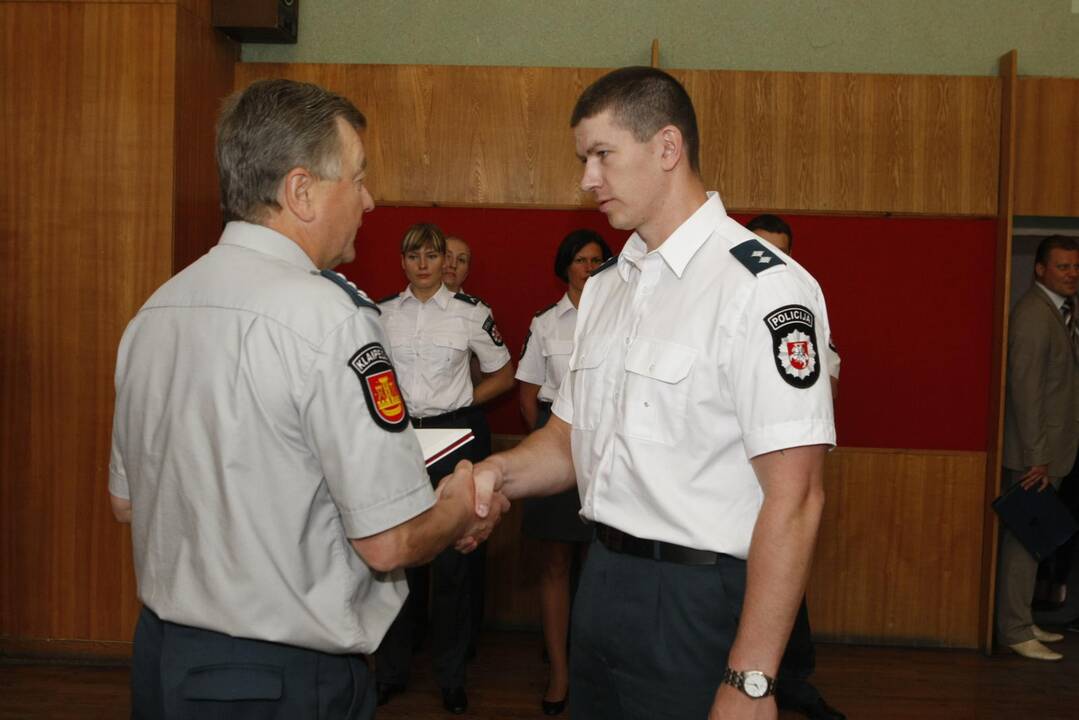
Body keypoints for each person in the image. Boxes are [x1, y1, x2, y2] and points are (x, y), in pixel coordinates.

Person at [106, 79, 507, 720]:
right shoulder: (329, 318)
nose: (370, 200)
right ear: (301, 190)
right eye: (358, 176)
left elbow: (126, 503)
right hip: (275, 678)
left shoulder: (156, 309)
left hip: (161, 658)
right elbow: (389, 541)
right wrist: (459, 508)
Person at [467, 66, 836, 720]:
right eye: (583, 158)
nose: (586, 178)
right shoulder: (608, 287)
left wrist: (751, 679)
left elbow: (796, 496)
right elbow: (568, 438)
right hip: (604, 578)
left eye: (602, 155)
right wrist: (498, 471)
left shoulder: (762, 287)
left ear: (667, 149)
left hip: (697, 596)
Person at [375, 222, 515, 713]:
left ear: (443, 261)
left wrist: (463, 403)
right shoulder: (380, 315)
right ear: (403, 261)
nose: (423, 264)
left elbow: (504, 371)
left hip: (455, 439)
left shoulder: (471, 314)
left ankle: (451, 676)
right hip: (398, 442)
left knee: (456, 561)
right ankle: (390, 672)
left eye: (431, 256)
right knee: (397, 559)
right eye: (412, 255)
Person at [745, 214, 845, 720]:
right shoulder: (730, 308)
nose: (773, 263)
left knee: (786, 583)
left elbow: (823, 384)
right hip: (731, 483)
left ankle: (793, 683)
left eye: (782, 253)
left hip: (787, 475)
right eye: (763, 250)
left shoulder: (803, 309)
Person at [516, 229, 613, 715]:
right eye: (581, 259)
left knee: (603, 565)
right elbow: (528, 392)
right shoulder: (546, 323)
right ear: (566, 266)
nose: (589, 267)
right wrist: (549, 441)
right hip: (556, 438)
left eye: (598, 259)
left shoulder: (622, 314)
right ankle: (559, 671)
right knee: (554, 565)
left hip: (607, 446)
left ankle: (596, 668)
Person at [998, 234, 1079, 661]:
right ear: (1040, 269)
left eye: (1076, 267)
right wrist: (1036, 457)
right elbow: (1024, 391)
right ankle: (1013, 630)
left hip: (1050, 450)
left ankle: (1023, 619)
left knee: (1036, 538)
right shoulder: (1033, 315)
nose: (1071, 274)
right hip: (1035, 454)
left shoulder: (1059, 312)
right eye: (1063, 266)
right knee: (1024, 540)